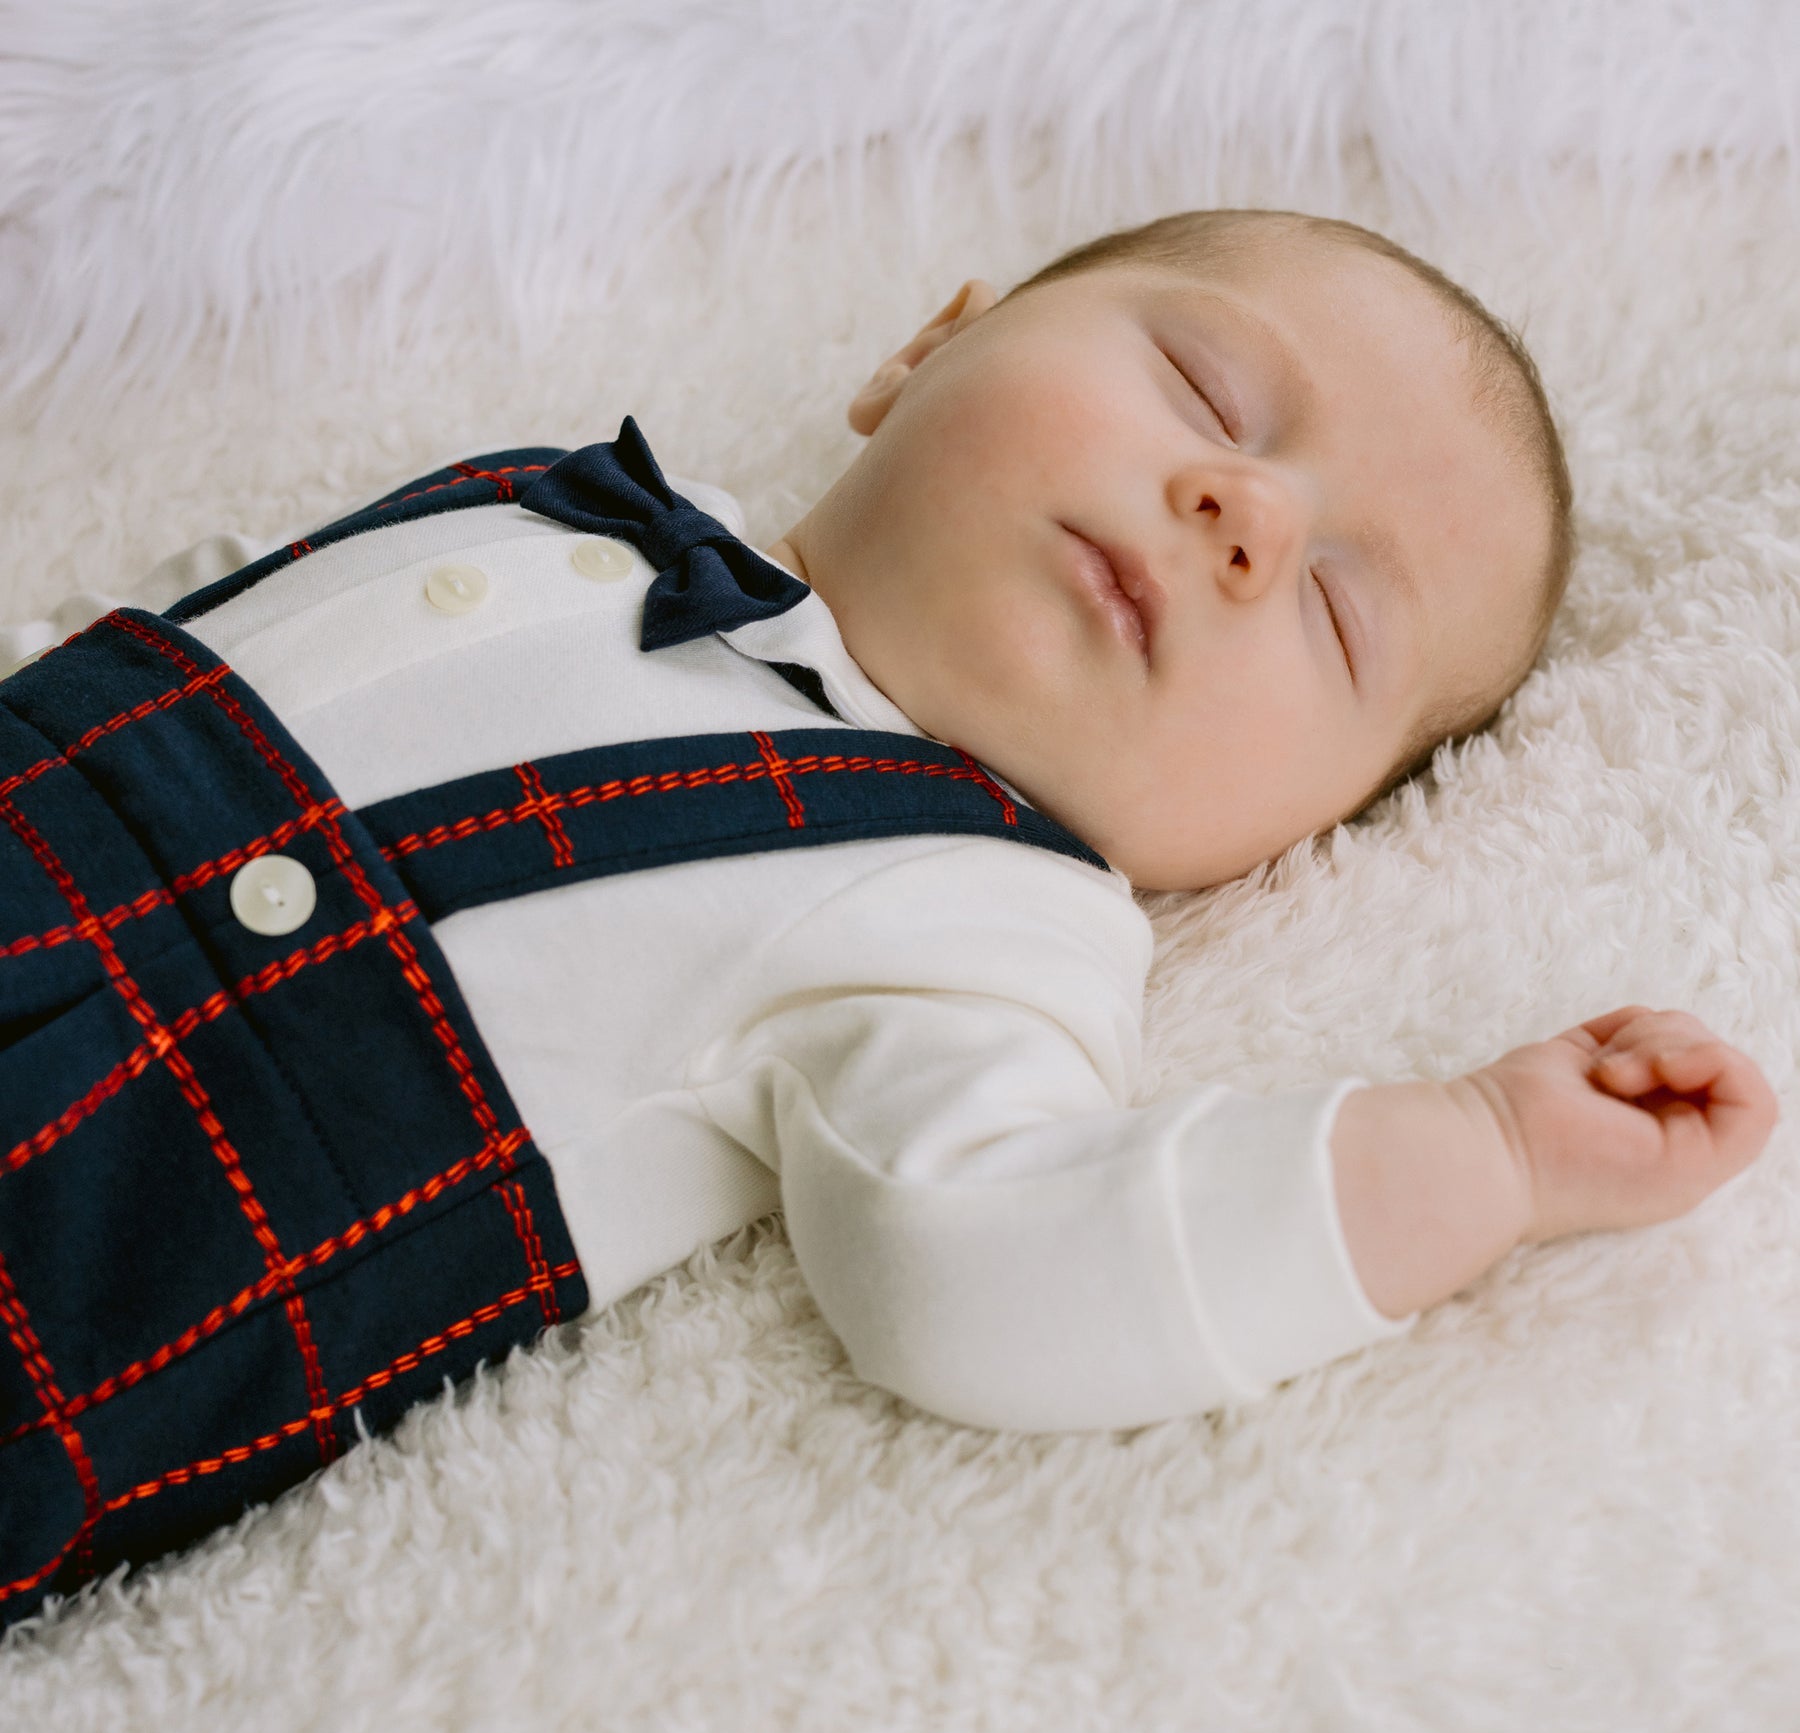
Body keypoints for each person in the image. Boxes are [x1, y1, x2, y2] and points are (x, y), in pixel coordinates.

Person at [0, 208, 1776, 1631]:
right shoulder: (553, 496)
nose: (1247, 514)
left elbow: (996, 1258)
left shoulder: (977, 911)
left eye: (1333, 615)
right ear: (925, 349)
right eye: (1205, 389)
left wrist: (1486, 1154)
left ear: (1285, 838)